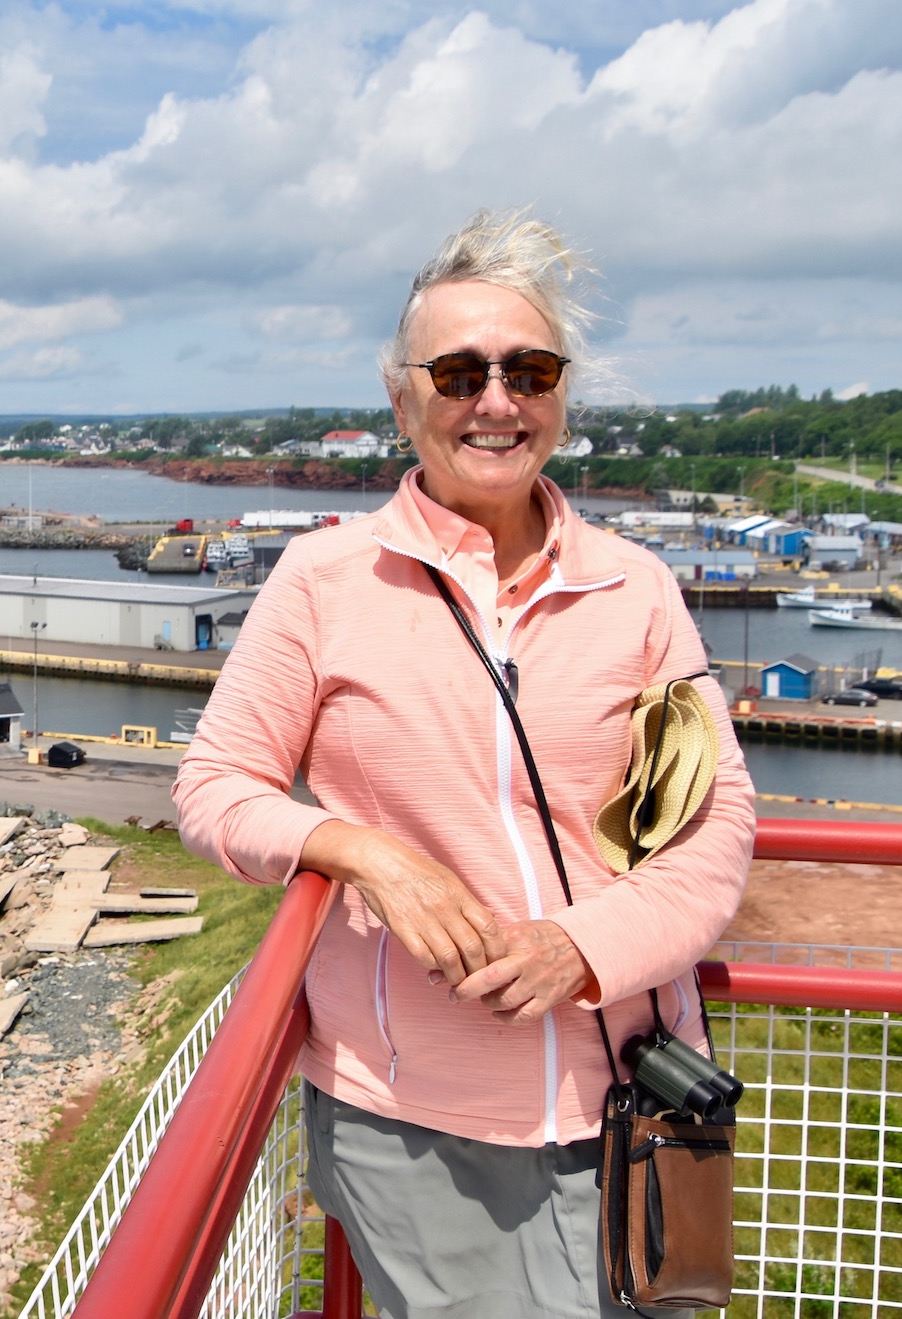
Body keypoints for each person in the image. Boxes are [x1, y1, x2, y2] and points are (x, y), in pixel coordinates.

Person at [172, 211, 755, 1318]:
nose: (496, 400)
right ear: (403, 400)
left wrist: (584, 947)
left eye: (528, 370)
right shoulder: (323, 580)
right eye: (457, 372)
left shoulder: (635, 589)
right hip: (411, 1118)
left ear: (561, 398)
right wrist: (360, 851)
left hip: (636, 1094)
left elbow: (713, 822)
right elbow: (214, 788)